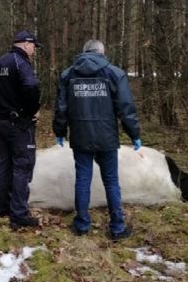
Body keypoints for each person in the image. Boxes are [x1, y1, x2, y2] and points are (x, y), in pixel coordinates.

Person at [52, 39, 140, 240]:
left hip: (80, 135)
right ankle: (117, 228)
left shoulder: (68, 75)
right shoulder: (115, 74)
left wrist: (59, 131)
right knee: (111, 181)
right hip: (106, 136)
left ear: (84, 52)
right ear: (102, 52)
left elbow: (61, 109)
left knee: (83, 179)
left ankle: (82, 225)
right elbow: (125, 109)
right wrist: (134, 134)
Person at [0, 30, 43, 230]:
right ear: (26, 44)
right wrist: (30, 111)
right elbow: (32, 86)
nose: (34, 50)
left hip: (3, 121)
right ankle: (18, 214)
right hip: (19, 124)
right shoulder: (20, 62)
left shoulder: (0, 62)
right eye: (34, 46)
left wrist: (0, 107)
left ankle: (3, 207)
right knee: (22, 166)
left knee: (5, 163)